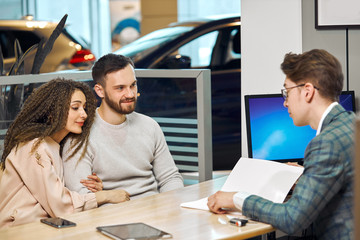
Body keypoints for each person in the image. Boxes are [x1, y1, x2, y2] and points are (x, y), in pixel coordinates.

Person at [207, 49, 354, 239]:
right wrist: (305, 180)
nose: (285, 103)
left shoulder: (325, 144)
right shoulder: (350, 123)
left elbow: (292, 219)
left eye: (287, 92)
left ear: (307, 92)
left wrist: (236, 198)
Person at [0, 78, 130, 228]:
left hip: (46, 226)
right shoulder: (33, 147)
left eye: (85, 108)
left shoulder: (55, 145)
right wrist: (104, 196)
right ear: (52, 112)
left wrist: (91, 190)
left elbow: (57, 194)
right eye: (75, 108)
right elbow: (60, 206)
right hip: (19, 230)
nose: (84, 114)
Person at [62, 54, 184, 199]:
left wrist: (171, 207)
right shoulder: (80, 135)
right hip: (112, 214)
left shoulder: (149, 126)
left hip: (156, 209)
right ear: (100, 91)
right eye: (120, 88)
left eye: (133, 85)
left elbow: (170, 178)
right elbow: (82, 195)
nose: (130, 94)